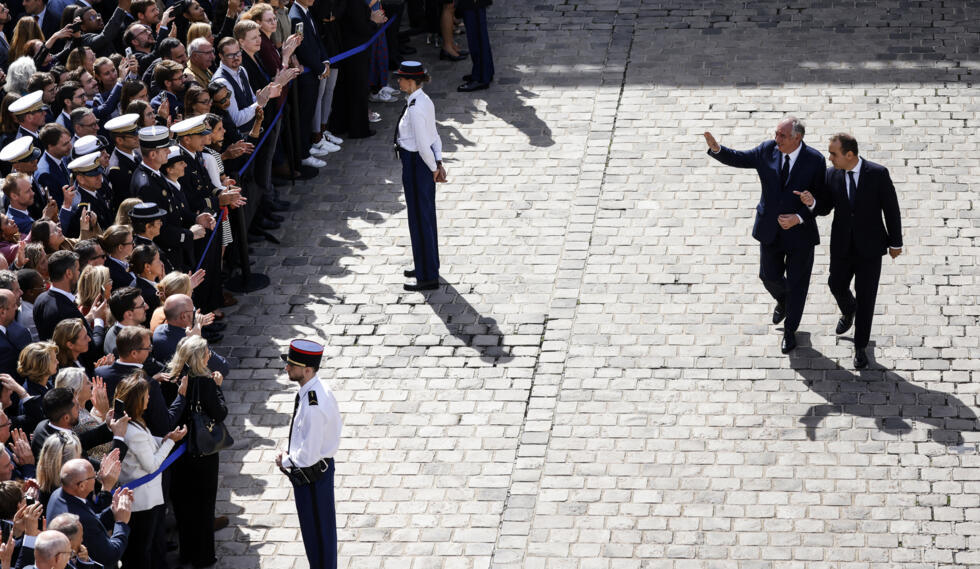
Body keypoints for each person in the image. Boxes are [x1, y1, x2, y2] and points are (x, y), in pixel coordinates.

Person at [704, 116, 825, 353]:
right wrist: (717, 149)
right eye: (776, 133)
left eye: (781, 136)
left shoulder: (815, 160)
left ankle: (790, 331)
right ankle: (783, 299)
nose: (776, 139)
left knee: (798, 285)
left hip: (800, 235)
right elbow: (741, 159)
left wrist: (801, 214)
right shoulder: (768, 149)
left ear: (796, 138)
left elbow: (821, 201)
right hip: (770, 230)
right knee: (768, 276)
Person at [795, 133, 903, 368]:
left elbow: (891, 210)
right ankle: (848, 309)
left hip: (870, 249)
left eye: (834, 153)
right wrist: (811, 202)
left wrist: (896, 243)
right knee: (836, 284)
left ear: (849, 155)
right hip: (842, 245)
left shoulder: (877, 174)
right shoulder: (831, 174)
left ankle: (860, 347)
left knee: (867, 298)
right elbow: (825, 208)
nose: (830, 157)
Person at [275, 339, 341, 569]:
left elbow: (309, 455)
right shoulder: (314, 390)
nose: (287, 368)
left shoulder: (313, 405)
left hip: (312, 477)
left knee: (317, 536)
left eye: (291, 365)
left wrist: (286, 460)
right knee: (320, 533)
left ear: (308, 370)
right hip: (317, 472)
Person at [114, 374, 186, 569]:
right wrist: (171, 442)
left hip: (143, 498)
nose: (149, 400)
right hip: (142, 501)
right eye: (146, 397)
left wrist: (166, 438)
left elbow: (147, 443)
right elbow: (151, 465)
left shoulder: (132, 423)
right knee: (141, 551)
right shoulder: (133, 431)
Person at [166, 335, 227, 568]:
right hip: (202, 453)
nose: (210, 356)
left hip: (176, 452)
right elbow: (220, 414)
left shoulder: (168, 379)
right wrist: (219, 388)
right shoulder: (206, 383)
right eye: (207, 353)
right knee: (203, 505)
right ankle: (203, 556)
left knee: (181, 504)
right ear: (200, 358)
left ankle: (186, 553)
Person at [394, 61, 446, 292]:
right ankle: (426, 265)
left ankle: (427, 276)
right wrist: (438, 161)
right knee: (425, 216)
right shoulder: (423, 100)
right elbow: (435, 136)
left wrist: (434, 166)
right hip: (423, 163)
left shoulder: (415, 108)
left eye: (402, 78)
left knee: (419, 218)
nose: (398, 81)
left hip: (416, 164)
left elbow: (424, 144)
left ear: (412, 81)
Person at [45, 458, 132, 569]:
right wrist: (121, 523)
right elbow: (110, 556)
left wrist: (112, 511)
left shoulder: (58, 495)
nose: (97, 478)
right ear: (81, 485)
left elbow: (93, 522)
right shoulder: (81, 519)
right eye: (94, 477)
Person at [32, 250, 108, 343]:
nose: (79, 273)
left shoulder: (40, 299)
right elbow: (93, 348)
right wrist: (98, 320)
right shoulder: (67, 311)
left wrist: (89, 317)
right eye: (77, 269)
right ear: (69, 273)